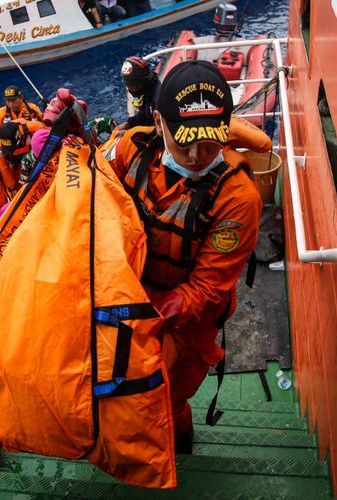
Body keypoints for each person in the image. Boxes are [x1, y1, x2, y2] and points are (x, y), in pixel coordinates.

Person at [103, 61, 264, 454]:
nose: (194, 155)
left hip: (182, 324)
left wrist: (141, 315)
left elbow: (208, 288)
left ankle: (180, 448)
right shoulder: (130, 148)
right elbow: (94, 193)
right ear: (159, 123)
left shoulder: (238, 199)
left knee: (165, 399)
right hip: (122, 297)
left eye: (209, 145)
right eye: (184, 141)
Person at [0, 119, 46, 194]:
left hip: (37, 163)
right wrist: (12, 189)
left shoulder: (37, 128)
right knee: (19, 192)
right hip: (16, 167)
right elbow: (3, 167)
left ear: (19, 136)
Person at [114, 56, 160, 134]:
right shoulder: (148, 93)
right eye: (127, 85)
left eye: (132, 85)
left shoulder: (158, 100)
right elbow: (145, 116)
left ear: (143, 82)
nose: (130, 89)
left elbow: (161, 132)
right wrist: (129, 123)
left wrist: (131, 133)